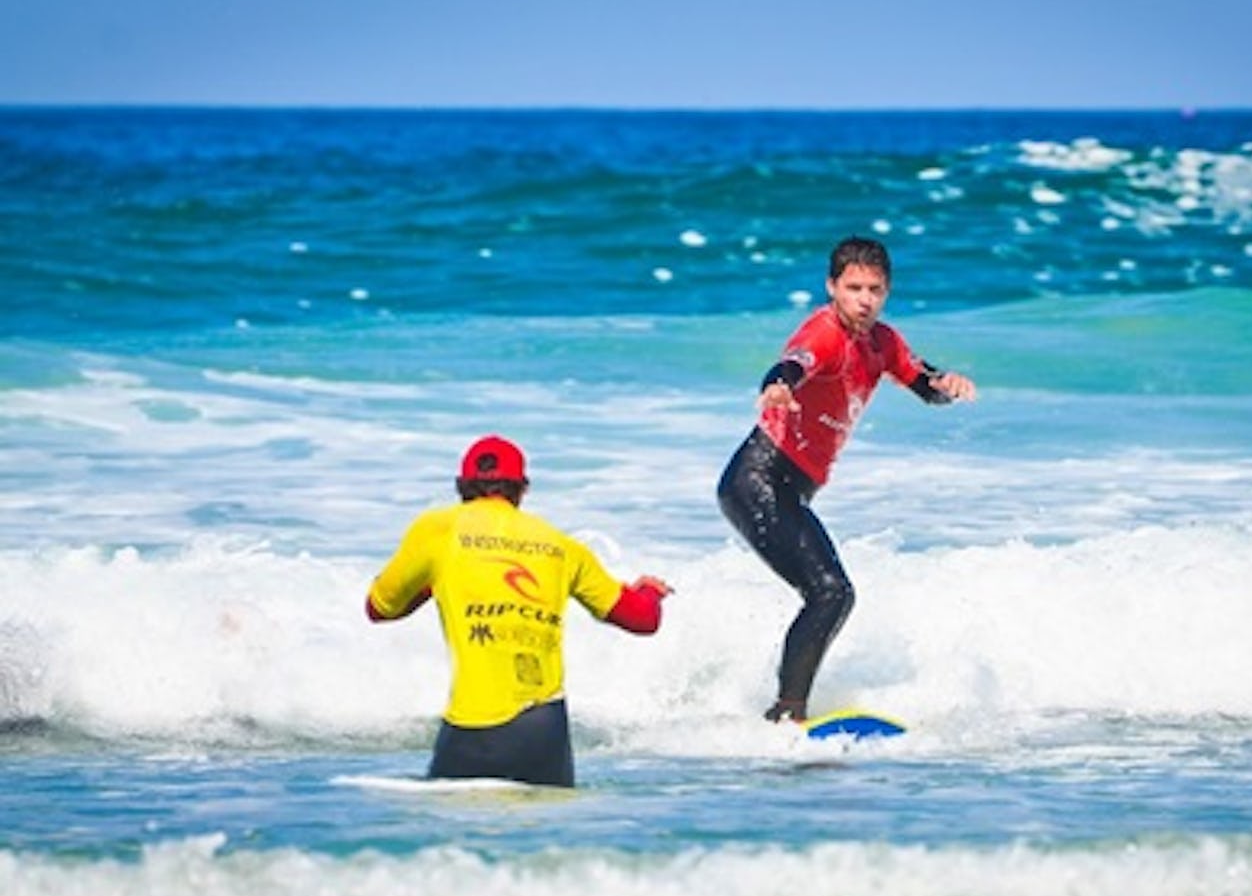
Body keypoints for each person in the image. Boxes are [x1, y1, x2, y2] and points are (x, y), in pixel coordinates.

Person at [717, 236, 975, 724]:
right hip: (759, 479)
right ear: (832, 287)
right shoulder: (825, 333)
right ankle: (787, 714)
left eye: (875, 289)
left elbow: (924, 384)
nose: (864, 300)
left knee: (828, 594)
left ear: (887, 292)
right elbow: (794, 363)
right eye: (853, 287)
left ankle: (785, 708)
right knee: (831, 592)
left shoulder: (883, 342)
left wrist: (947, 387)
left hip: (791, 489)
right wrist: (775, 387)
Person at [366, 435, 672, 787]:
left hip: (474, 731)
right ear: (522, 489)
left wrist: (432, 582)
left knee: (451, 837)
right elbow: (641, 619)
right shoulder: (561, 545)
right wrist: (649, 592)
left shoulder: (438, 530)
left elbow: (379, 607)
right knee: (546, 838)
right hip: (545, 731)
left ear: (461, 486)